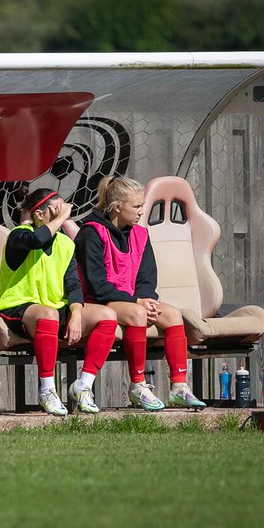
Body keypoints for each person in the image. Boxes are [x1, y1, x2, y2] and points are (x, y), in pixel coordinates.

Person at [75, 175, 206, 411]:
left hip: (132, 300)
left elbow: (147, 277)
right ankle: (138, 385)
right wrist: (137, 301)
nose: (141, 212)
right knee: (137, 313)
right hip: (99, 301)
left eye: (142, 205)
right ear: (116, 207)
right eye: (136, 206)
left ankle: (179, 388)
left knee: (173, 315)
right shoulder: (90, 233)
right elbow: (97, 285)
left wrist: (147, 299)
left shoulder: (140, 234)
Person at [0, 187, 118, 416]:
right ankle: (47, 390)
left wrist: (76, 315)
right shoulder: (19, 235)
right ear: (39, 215)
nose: (65, 212)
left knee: (107, 316)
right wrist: (62, 218)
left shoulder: (65, 244)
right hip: (18, 307)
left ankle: (83, 385)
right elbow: (36, 240)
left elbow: (73, 284)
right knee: (48, 315)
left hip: (52, 307)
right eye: (57, 209)